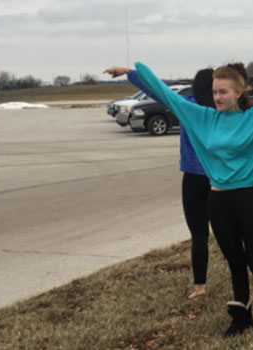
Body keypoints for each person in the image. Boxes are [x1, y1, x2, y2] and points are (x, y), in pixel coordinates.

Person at [131, 49, 253, 340]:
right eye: (214, 92)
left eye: (223, 92)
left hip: (249, 199)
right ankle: (241, 316)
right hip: (218, 200)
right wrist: (140, 71)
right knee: (234, 260)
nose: (218, 97)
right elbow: (167, 96)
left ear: (238, 92)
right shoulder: (203, 118)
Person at [103, 66, 215, 300]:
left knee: (199, 235)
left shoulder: (187, 105)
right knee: (229, 234)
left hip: (194, 179)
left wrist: (130, 73)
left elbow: (157, 90)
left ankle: (200, 287)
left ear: (195, 86)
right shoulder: (223, 109)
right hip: (221, 179)